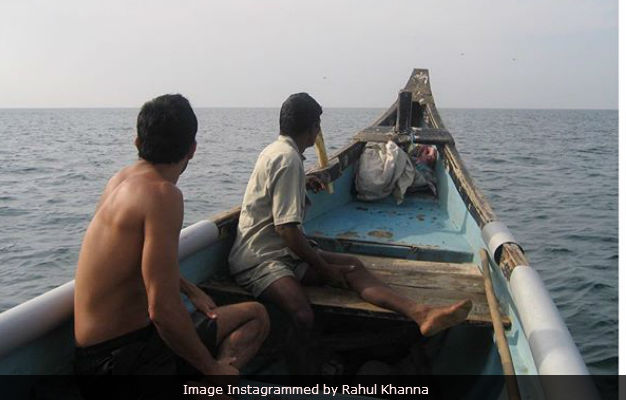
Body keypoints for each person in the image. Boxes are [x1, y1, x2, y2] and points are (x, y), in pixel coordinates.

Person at [228, 92, 471, 340]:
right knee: (302, 314)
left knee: (354, 266)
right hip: (260, 259)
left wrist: (303, 182)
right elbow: (287, 230)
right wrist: (323, 269)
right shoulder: (288, 160)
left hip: (281, 253)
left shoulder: (275, 151)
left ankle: (421, 313)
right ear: (314, 129)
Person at [74, 94, 269, 376]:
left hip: (92, 360)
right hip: (125, 363)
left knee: (254, 315)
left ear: (137, 142)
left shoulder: (119, 181)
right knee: (256, 319)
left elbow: (133, 263)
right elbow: (162, 311)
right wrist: (211, 368)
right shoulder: (163, 195)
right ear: (192, 149)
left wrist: (189, 289)